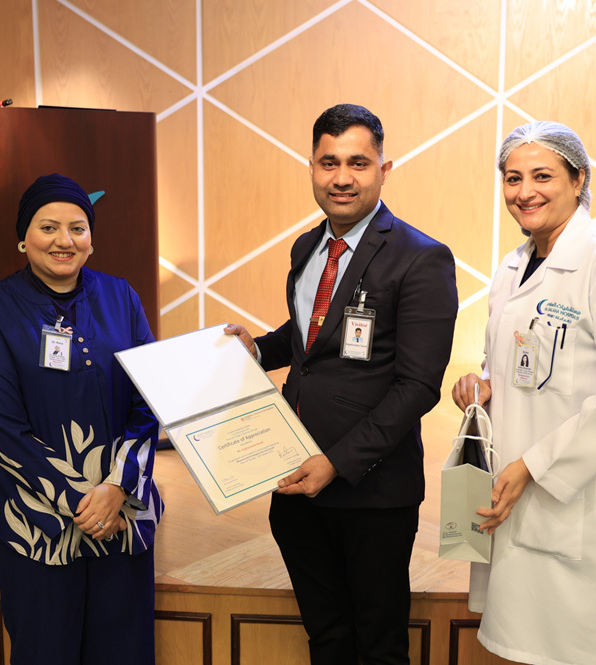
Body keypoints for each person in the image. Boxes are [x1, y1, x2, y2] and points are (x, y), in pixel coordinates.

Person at [225, 104, 458, 665]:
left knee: (379, 647)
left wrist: (336, 462)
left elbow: (418, 385)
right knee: (326, 638)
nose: (342, 178)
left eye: (358, 162)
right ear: (311, 167)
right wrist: (259, 350)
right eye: (329, 163)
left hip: (371, 493)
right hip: (293, 481)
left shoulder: (421, 258)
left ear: (384, 169)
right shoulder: (307, 247)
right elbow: (310, 334)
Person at [452, 121, 596, 665]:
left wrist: (535, 464)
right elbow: (518, 363)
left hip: (576, 502)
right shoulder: (511, 266)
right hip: (514, 485)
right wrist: (483, 384)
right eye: (512, 178)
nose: (525, 192)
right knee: (522, 643)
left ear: (579, 179)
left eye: (542, 176)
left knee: (578, 648)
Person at [0, 174, 162, 665]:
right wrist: (81, 503)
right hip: (36, 523)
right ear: (23, 238)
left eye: (77, 228)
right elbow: (0, 428)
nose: (63, 240)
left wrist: (117, 489)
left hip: (120, 516)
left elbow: (149, 397)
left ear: (91, 239)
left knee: (124, 654)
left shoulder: (121, 296)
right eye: (48, 227)